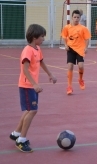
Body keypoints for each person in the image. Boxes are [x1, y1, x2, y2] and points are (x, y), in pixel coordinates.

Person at [9, 24, 57, 153]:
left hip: (32, 86)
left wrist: (50, 74)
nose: (43, 39)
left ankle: (16, 133)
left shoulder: (37, 49)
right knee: (33, 110)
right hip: (27, 85)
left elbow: (41, 62)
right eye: (42, 37)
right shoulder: (28, 50)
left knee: (29, 110)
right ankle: (21, 140)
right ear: (35, 37)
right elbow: (25, 70)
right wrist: (34, 84)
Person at [61, 10, 91, 95]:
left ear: (80, 18)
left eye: (78, 17)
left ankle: (80, 79)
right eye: (75, 17)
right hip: (71, 48)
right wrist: (66, 45)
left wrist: (86, 47)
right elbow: (64, 36)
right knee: (70, 66)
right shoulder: (67, 27)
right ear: (72, 18)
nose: (76, 19)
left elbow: (87, 39)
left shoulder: (83, 28)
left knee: (81, 66)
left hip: (80, 49)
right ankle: (69, 86)